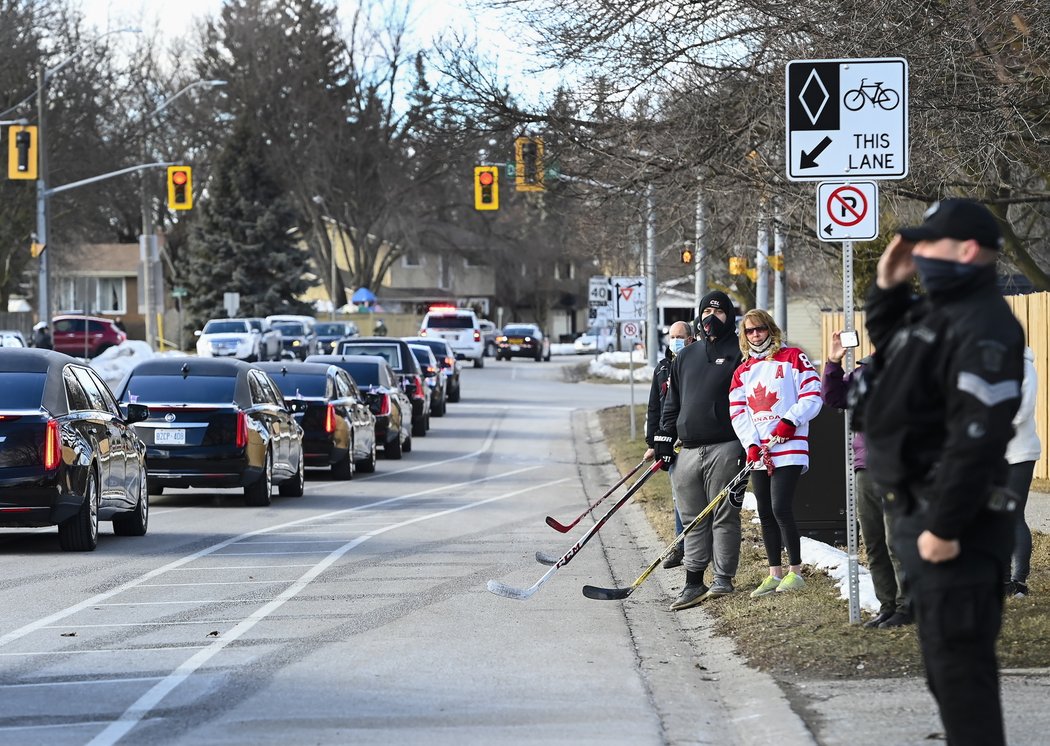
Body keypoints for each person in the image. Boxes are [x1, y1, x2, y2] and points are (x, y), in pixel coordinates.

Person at [863, 198, 1024, 746]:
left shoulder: (983, 325)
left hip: (955, 524)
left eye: (929, 243)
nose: (919, 253)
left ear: (967, 250)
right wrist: (887, 287)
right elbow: (894, 347)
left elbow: (977, 438)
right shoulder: (940, 311)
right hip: (918, 510)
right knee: (943, 667)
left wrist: (946, 527)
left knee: (961, 672)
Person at [656, 290, 744, 610]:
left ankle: (723, 578)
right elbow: (672, 404)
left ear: (729, 317)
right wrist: (663, 439)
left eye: (718, 313)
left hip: (726, 446)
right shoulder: (686, 356)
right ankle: (693, 581)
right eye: (706, 311)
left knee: (723, 515)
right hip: (688, 451)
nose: (711, 318)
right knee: (692, 519)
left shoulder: (740, 352)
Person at [821, 330, 911, 628]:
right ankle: (887, 605)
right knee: (873, 542)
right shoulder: (864, 372)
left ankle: (907, 605)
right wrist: (834, 361)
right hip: (866, 467)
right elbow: (834, 397)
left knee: (896, 540)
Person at [729, 309, 822, 597]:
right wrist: (752, 444)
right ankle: (774, 573)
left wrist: (790, 420)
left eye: (760, 329)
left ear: (770, 329)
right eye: (749, 331)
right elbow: (738, 411)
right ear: (744, 336)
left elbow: (813, 393)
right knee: (765, 511)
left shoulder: (793, 357)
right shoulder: (742, 371)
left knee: (781, 507)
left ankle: (795, 571)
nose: (755, 334)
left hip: (789, 446)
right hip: (760, 451)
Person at [644, 321, 694, 569]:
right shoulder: (662, 368)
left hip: (692, 439)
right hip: (669, 442)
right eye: (672, 336)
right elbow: (655, 407)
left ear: (690, 339)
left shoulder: (696, 364)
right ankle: (680, 546)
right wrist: (653, 442)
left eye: (680, 336)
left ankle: (697, 548)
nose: (675, 340)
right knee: (679, 497)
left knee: (694, 498)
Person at [1004, 346, 1041, 598]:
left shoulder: (1024, 366)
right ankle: (1003, 581)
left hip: (1019, 453)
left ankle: (1019, 582)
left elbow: (1021, 411)